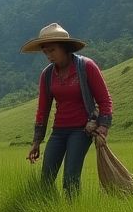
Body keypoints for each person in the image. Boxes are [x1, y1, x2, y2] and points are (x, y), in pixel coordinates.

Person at [23, 22, 113, 196]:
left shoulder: (86, 67)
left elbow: (105, 100)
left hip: (81, 130)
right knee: (46, 178)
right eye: (45, 52)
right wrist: (36, 141)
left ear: (65, 48)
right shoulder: (47, 75)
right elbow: (43, 109)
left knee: (70, 179)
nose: (49, 56)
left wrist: (103, 126)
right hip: (58, 131)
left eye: (52, 50)